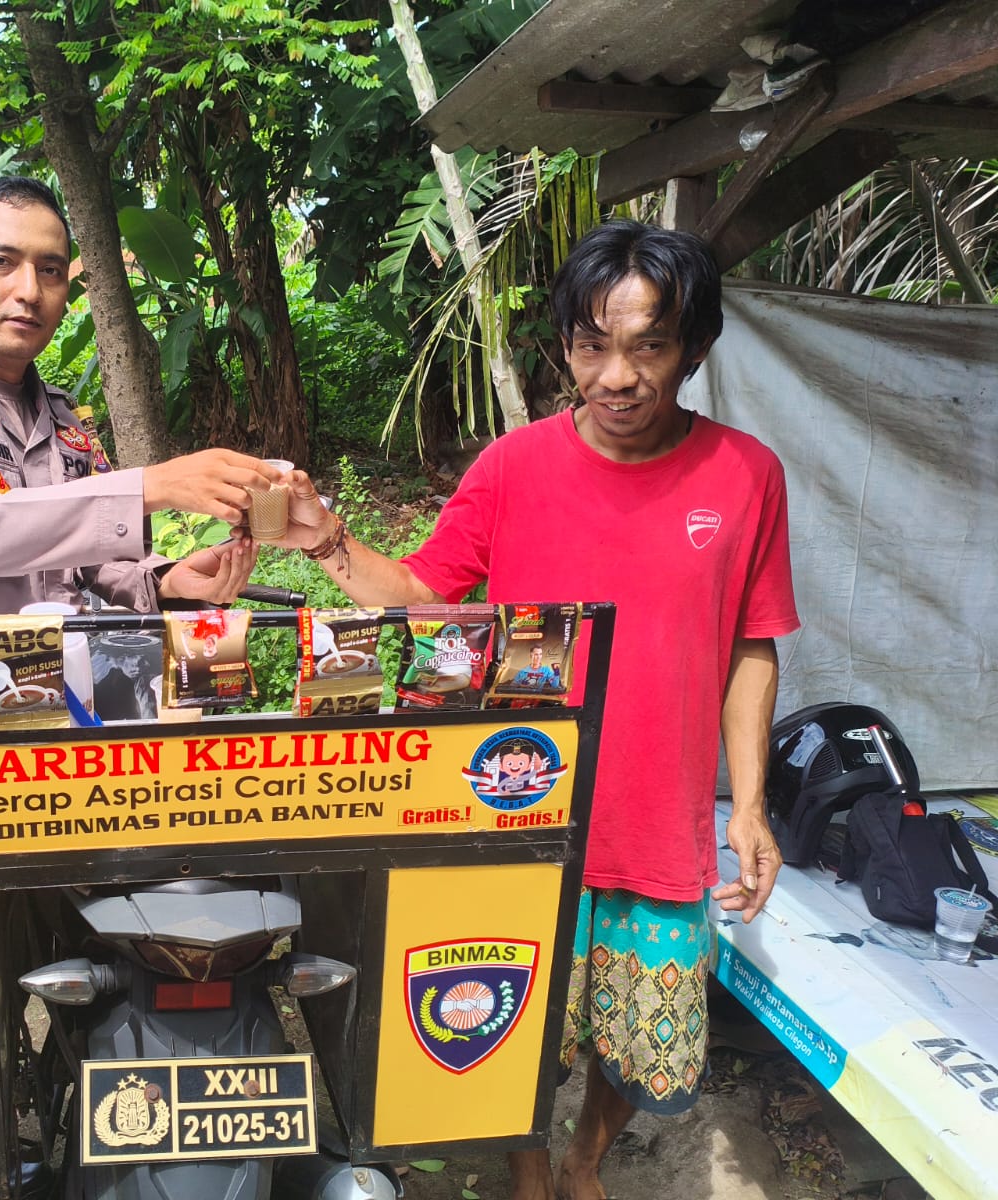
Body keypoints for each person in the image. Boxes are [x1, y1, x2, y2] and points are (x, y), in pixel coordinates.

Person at [273, 221, 800, 1200]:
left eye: (648, 346)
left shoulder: (745, 475)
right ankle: (526, 1171)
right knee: (507, 1022)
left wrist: (752, 806)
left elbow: (751, 644)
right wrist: (326, 542)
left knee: (637, 1046)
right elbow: (421, 594)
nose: (617, 376)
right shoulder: (512, 468)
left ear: (692, 347)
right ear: (564, 344)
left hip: (657, 821)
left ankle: (583, 1160)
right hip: (516, 809)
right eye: (592, 345)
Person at [0, 177, 278, 726]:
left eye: (50, 270)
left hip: (59, 715)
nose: (29, 290)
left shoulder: (65, 419)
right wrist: (152, 486)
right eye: (2, 261)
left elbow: (88, 559)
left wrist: (166, 581)